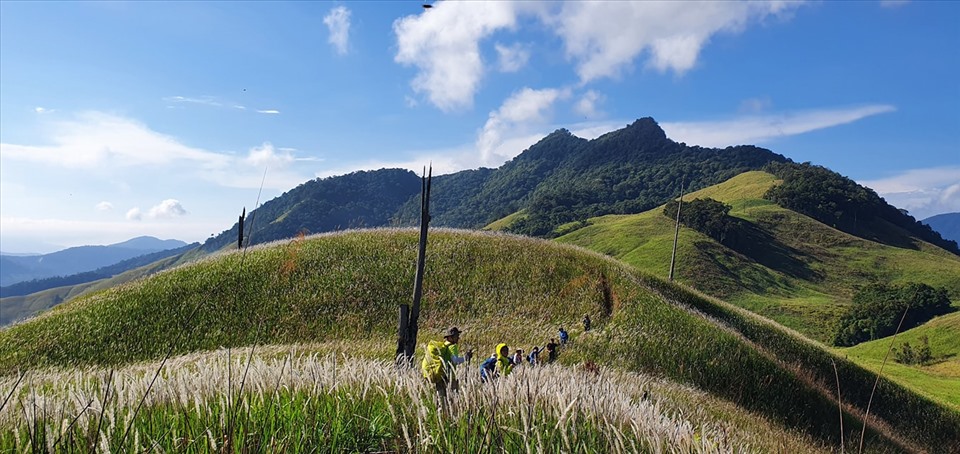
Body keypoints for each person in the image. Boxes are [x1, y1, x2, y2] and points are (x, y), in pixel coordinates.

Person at [420, 327, 463, 398]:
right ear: (450, 337)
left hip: (440, 376)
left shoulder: (442, 348)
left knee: (441, 399)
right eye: (456, 336)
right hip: (450, 378)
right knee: (453, 400)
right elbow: (455, 361)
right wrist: (466, 358)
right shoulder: (452, 347)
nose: (458, 338)